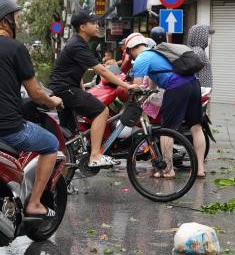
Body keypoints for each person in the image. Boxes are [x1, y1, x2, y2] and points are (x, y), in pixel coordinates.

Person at [0, 0, 64, 218]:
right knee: (51, 143)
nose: (16, 22)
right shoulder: (15, 48)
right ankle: (34, 203)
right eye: (15, 18)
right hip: (7, 130)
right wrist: (53, 101)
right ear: (5, 20)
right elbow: (36, 94)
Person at [48, 10, 137, 169]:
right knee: (102, 111)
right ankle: (95, 156)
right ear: (83, 27)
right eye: (93, 23)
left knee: (70, 135)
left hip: (63, 89)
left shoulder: (79, 43)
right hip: (65, 89)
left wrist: (81, 87)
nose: (97, 26)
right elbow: (101, 71)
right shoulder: (77, 45)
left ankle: (63, 176)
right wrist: (127, 86)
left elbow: (74, 69)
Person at [127, 33, 207, 179]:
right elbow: (152, 89)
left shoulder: (141, 59)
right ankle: (200, 169)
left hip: (177, 87)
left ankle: (168, 170)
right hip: (194, 84)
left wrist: (129, 95)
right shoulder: (158, 53)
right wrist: (144, 101)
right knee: (196, 127)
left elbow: (137, 87)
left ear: (130, 50)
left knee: (167, 130)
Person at [187, 24, 215, 90]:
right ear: (201, 37)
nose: (209, 38)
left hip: (201, 90)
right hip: (200, 91)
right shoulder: (197, 52)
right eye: (208, 35)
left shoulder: (198, 51)